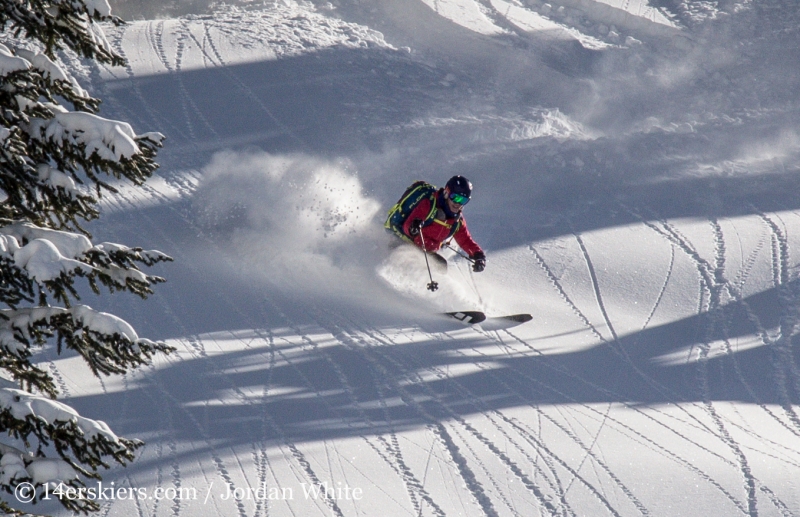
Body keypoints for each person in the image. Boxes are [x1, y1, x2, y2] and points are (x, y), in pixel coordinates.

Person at [389, 175, 486, 272]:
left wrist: (478, 255)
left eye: (463, 200)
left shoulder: (457, 221)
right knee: (430, 264)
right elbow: (407, 226)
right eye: (455, 197)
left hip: (426, 251)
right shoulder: (429, 205)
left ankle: (420, 286)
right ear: (447, 193)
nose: (458, 203)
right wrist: (413, 227)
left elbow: (465, 240)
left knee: (441, 266)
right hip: (406, 242)